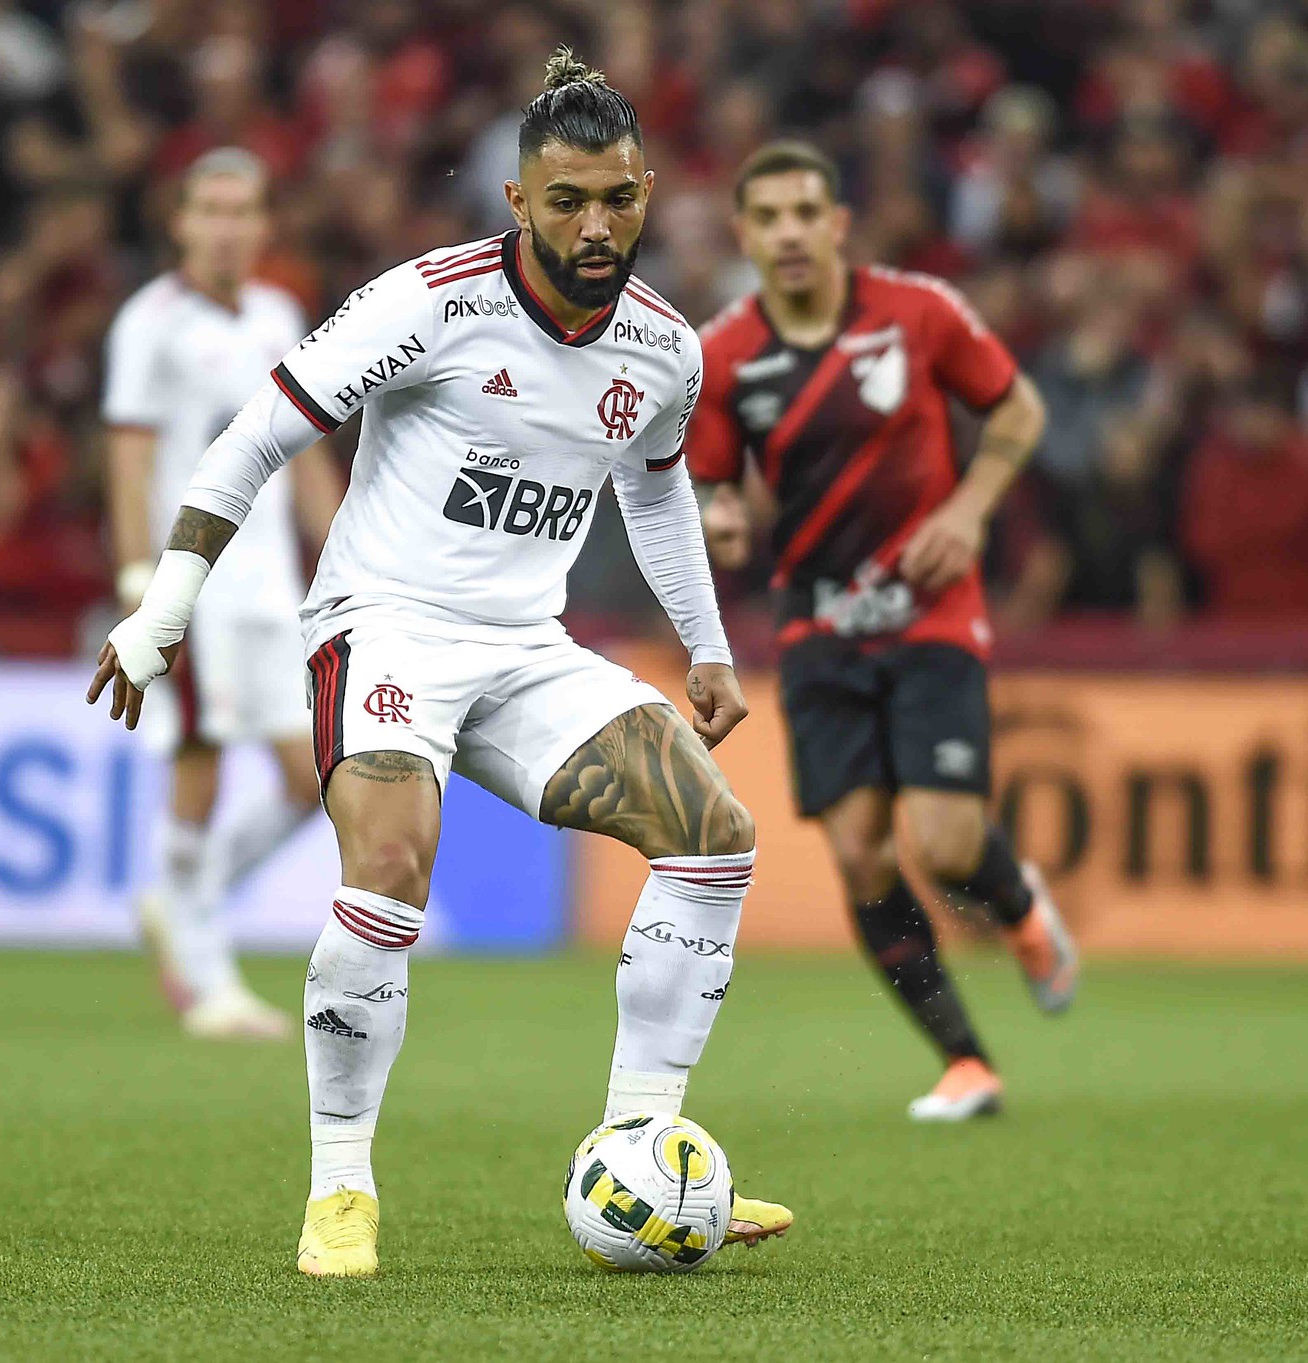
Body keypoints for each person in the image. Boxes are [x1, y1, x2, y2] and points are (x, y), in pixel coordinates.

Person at [88, 51, 789, 1277]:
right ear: (517, 202)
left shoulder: (663, 350)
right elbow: (253, 438)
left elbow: (660, 492)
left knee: (715, 831)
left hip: (527, 648)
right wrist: (164, 605)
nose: (593, 224)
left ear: (647, 192)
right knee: (393, 863)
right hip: (384, 626)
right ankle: (341, 1185)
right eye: (565, 201)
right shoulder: (426, 301)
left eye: (616, 199)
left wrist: (708, 647)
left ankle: (644, 1141)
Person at [690, 141, 1078, 1124]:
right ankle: (964, 1063)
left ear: (836, 225)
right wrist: (720, 514)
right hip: (817, 625)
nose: (785, 232)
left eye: (802, 213)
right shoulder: (724, 354)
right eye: (765, 217)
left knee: (945, 843)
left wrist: (969, 511)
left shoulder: (917, 312)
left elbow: (1016, 408)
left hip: (926, 609)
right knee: (861, 854)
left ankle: (1024, 914)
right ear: (743, 234)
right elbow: (705, 481)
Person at [102, 148, 345, 1041]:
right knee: (199, 765)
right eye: (210, 208)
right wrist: (142, 584)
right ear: (180, 220)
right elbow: (128, 463)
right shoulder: (150, 324)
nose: (227, 225)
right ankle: (207, 984)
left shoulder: (279, 313)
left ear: (266, 224)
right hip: (193, 584)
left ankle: (177, 901)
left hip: (273, 588)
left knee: (306, 778)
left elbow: (306, 453)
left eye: (243, 209)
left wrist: (349, 554)